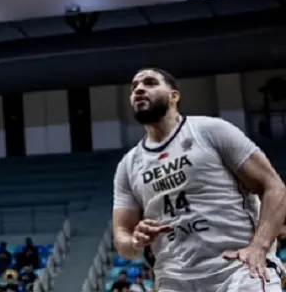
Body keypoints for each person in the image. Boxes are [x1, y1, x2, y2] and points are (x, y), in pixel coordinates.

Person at [111, 68, 286, 291]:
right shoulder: (128, 165)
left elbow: (274, 187)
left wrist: (260, 247)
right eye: (134, 87)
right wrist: (135, 242)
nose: (139, 89)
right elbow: (122, 238)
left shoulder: (210, 131)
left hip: (237, 270)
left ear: (174, 96)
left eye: (150, 83)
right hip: (175, 279)